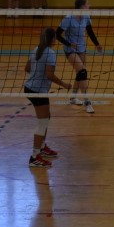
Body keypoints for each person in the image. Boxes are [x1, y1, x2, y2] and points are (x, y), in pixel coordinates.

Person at [23, 28, 73, 168]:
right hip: (37, 91)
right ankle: (34, 157)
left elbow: (27, 68)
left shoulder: (36, 49)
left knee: (46, 118)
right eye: (55, 37)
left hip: (31, 88)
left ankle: (42, 147)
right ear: (52, 39)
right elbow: (49, 75)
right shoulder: (50, 53)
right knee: (43, 122)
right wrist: (64, 84)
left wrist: (37, 73)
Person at [56, 0, 103, 114]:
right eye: (87, 4)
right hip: (70, 49)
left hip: (82, 48)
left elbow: (90, 32)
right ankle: (87, 102)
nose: (89, 6)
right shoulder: (68, 18)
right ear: (82, 6)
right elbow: (57, 34)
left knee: (80, 72)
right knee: (82, 71)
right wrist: (69, 44)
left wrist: (97, 44)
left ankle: (73, 97)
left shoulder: (86, 17)